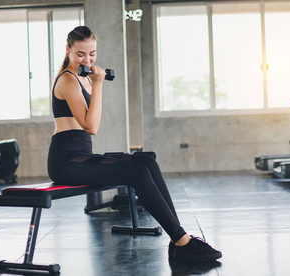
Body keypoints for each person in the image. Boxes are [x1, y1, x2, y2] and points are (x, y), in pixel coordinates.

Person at [47, 25, 222, 263]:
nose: (87, 59)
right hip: (65, 161)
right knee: (137, 172)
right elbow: (91, 126)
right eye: (80, 54)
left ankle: (178, 237)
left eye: (92, 53)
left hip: (81, 155)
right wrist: (98, 85)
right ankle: (182, 240)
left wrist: (94, 83)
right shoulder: (68, 80)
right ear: (68, 50)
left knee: (146, 160)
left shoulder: (83, 78)